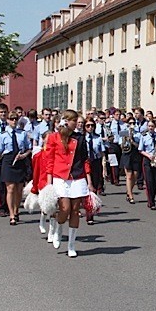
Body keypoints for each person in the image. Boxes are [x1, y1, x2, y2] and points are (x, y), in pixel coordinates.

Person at [46, 109, 92, 257]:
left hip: (77, 177)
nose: (77, 124)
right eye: (74, 121)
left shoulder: (80, 138)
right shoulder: (54, 137)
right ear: (67, 121)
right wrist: (49, 182)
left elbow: (85, 159)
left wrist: (89, 180)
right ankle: (58, 228)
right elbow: (50, 159)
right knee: (64, 208)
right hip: (60, 176)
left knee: (75, 210)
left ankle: (71, 245)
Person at [0, 112, 31, 226]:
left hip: (20, 160)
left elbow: (29, 148)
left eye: (15, 119)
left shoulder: (22, 134)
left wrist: (24, 155)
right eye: (11, 119)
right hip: (8, 161)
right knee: (10, 189)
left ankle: (16, 209)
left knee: (19, 190)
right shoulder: (3, 135)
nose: (14, 121)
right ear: (7, 120)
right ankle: (11, 214)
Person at [84, 119, 105, 224]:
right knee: (87, 188)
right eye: (88, 126)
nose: (90, 128)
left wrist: (104, 167)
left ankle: (91, 212)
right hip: (85, 163)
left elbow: (102, 153)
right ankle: (88, 213)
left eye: (92, 125)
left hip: (96, 162)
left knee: (94, 188)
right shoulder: (82, 138)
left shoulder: (98, 138)